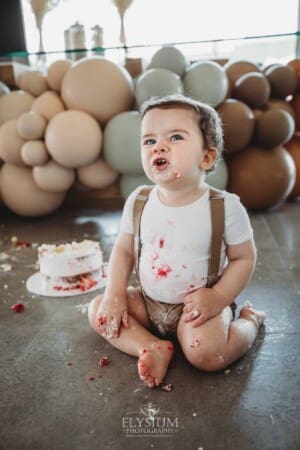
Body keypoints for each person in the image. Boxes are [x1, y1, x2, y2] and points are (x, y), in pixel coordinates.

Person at [88, 94, 265, 388]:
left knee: (207, 354)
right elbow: (122, 250)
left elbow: (244, 258)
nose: (159, 146)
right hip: (148, 303)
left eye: (175, 137)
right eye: (149, 140)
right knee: (98, 311)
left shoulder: (224, 206)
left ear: (207, 157)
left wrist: (219, 298)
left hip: (199, 308)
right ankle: (150, 346)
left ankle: (248, 322)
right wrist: (115, 295)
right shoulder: (139, 201)